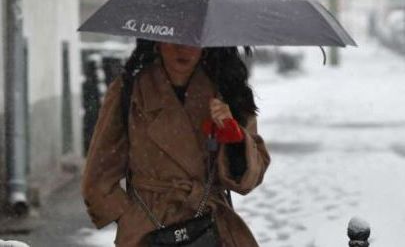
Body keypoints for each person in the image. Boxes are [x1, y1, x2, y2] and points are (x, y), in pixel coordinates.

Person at [81, 39, 270, 246]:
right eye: (173, 40)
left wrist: (235, 140)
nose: (183, 48)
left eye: (193, 40)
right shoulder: (129, 91)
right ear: (156, 42)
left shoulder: (228, 92)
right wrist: (130, 218)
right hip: (149, 229)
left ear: (206, 44)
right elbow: (98, 176)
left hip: (211, 228)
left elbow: (250, 179)